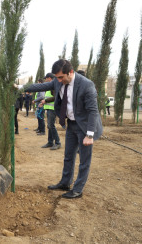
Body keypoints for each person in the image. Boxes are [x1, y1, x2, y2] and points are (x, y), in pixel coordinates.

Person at [26, 59, 103, 199]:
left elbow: (93, 111)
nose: (59, 81)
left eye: (62, 77)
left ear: (71, 72)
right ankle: (65, 182)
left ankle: (78, 189)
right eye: (57, 78)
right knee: (68, 156)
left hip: (85, 126)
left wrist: (90, 135)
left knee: (84, 160)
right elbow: (40, 86)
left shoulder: (86, 85)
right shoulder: (58, 81)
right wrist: (20, 87)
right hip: (71, 124)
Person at [40, 73, 61, 150]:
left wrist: (45, 101)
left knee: (51, 125)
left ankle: (58, 142)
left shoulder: (54, 86)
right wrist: (43, 102)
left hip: (53, 109)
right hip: (49, 108)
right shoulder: (51, 86)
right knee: (49, 126)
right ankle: (50, 142)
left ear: (50, 78)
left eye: (46, 78)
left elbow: (55, 97)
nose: (45, 80)